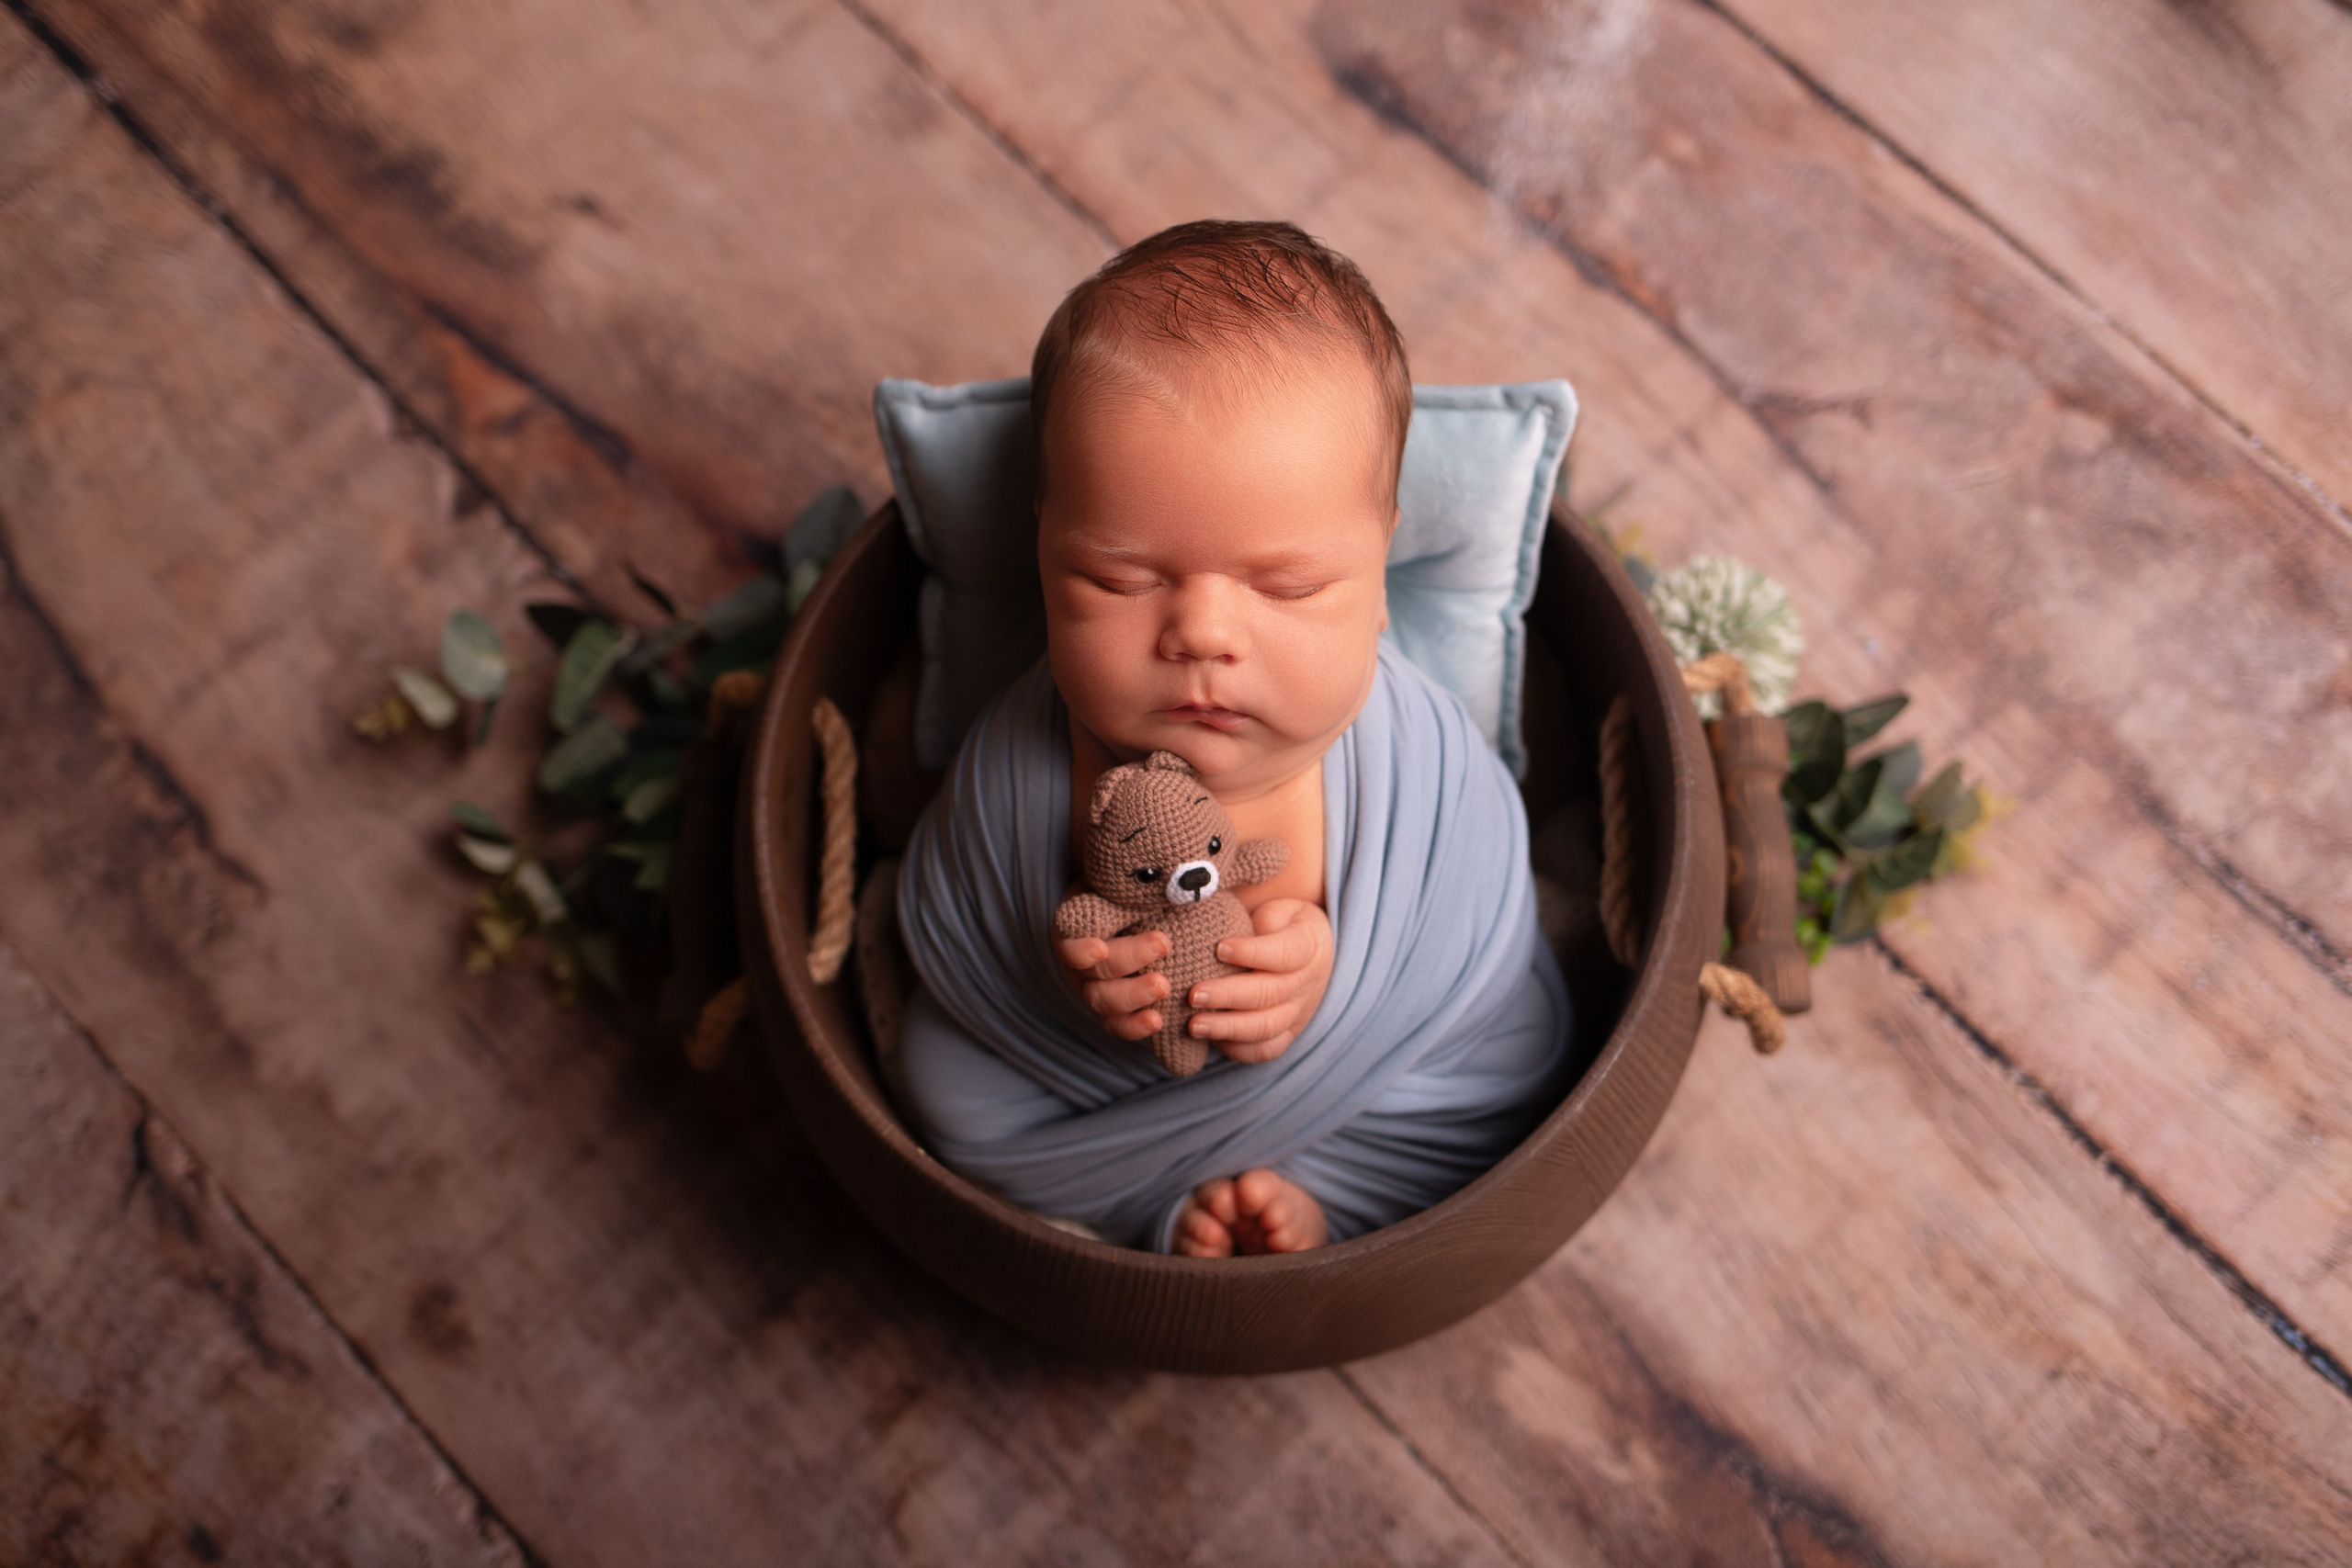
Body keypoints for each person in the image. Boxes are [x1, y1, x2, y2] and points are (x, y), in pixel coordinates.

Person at [894, 220, 1572, 1257]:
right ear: (1042, 547)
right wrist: (1075, 974)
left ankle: (1318, 1201)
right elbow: (969, 901)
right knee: (943, 1083)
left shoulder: (1412, 754)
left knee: (1515, 1055)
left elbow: (1464, 901)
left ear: (1380, 571)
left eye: (1289, 586)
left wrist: (1319, 969)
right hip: (1089, 1073)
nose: (1202, 634)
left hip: (1368, 1062)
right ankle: (1177, 1207)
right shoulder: (1025, 754)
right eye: (1118, 579)